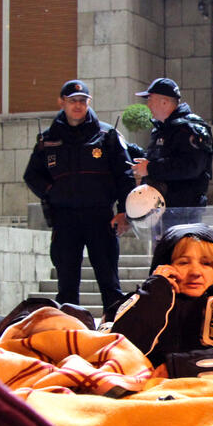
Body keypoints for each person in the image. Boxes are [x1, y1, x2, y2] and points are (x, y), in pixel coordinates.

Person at [24, 79, 136, 314]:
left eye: (82, 101)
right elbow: (32, 175)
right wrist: (51, 192)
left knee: (109, 283)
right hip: (65, 220)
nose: (78, 106)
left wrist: (124, 212)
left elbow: (125, 175)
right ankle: (69, 333)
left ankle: (114, 332)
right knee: (66, 285)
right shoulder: (48, 139)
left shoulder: (107, 135)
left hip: (101, 218)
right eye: (73, 101)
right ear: (61, 102)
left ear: (89, 103)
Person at [104, 223, 213, 382]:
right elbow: (115, 352)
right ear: (165, 265)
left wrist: (179, 367)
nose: (195, 272)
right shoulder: (132, 303)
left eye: (206, 263)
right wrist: (156, 288)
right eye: (183, 262)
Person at [130, 78, 213, 229]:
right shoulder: (161, 129)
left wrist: (150, 168)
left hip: (184, 212)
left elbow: (191, 166)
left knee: (181, 252)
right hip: (159, 209)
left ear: (164, 102)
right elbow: (158, 160)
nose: (148, 105)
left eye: (150, 100)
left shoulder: (189, 128)